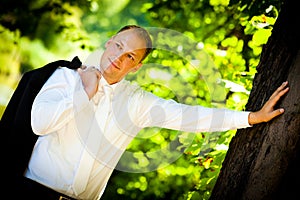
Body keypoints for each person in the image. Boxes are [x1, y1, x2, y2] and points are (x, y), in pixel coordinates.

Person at [20, 25, 289, 200]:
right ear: (109, 41)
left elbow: (190, 116)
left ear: (135, 67)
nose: (120, 57)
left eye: (130, 57)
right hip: (31, 191)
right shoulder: (64, 77)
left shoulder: (136, 103)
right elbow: (39, 124)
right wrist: (85, 93)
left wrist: (251, 117)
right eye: (119, 46)